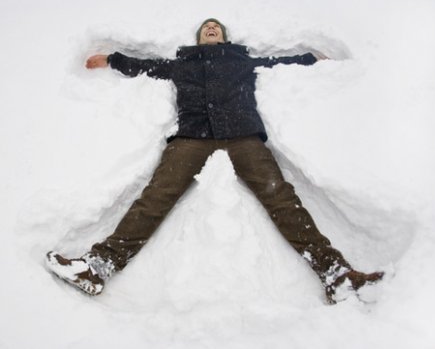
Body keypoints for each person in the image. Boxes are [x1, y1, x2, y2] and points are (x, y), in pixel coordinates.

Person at [46, 18, 383, 304]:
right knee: (155, 198)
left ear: (224, 37)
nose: (210, 29)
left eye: (215, 28)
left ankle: (337, 275)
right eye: (206, 27)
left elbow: (280, 62)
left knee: (281, 199)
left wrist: (311, 59)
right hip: (192, 139)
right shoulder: (183, 64)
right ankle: (98, 267)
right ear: (198, 38)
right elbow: (145, 65)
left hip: (243, 137)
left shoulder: (241, 60)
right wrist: (112, 59)